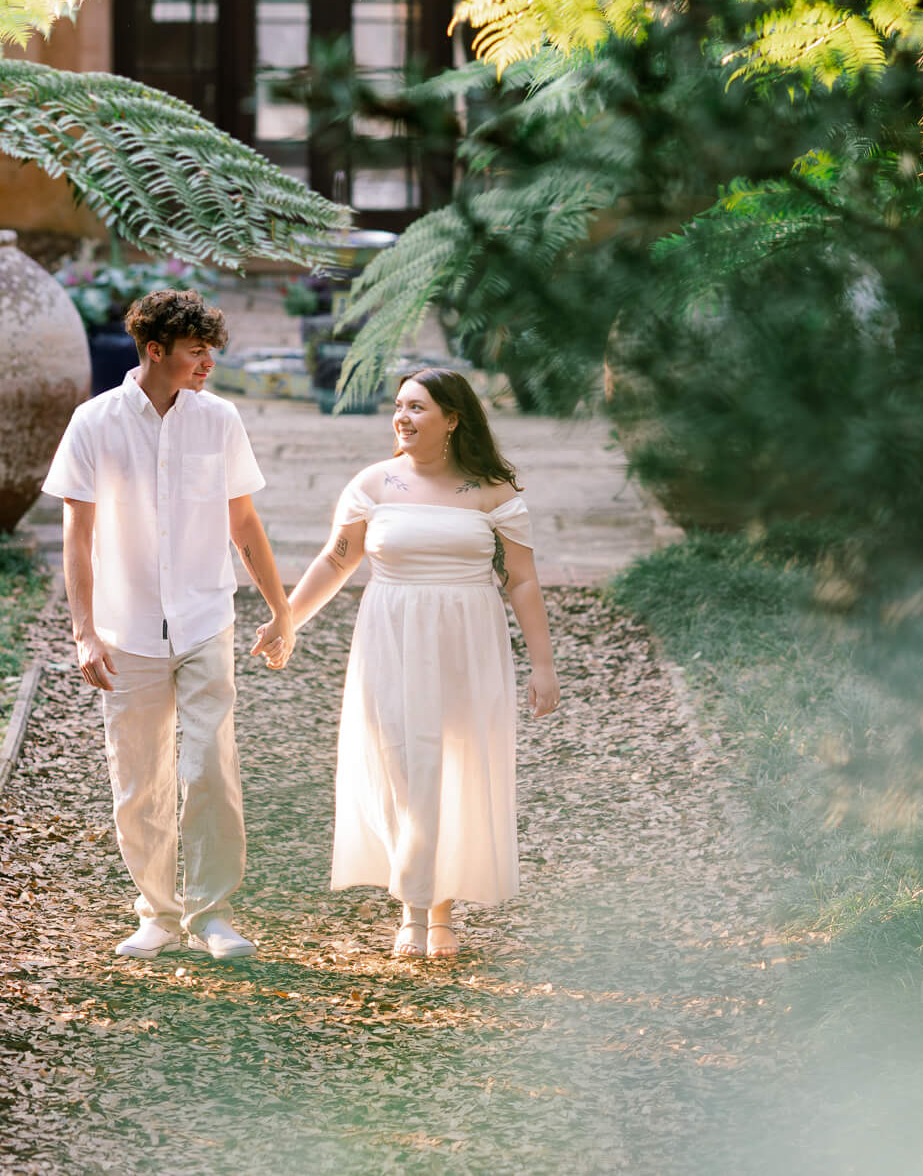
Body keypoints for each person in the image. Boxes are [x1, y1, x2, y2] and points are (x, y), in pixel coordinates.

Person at [41, 288, 295, 961]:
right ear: (156, 351)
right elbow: (77, 534)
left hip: (206, 614)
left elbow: (244, 522)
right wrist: (85, 631)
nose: (208, 362)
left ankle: (212, 911)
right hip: (126, 626)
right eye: (196, 350)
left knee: (209, 762)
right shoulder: (94, 423)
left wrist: (280, 607)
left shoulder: (220, 421)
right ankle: (156, 910)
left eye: (211, 350)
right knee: (138, 775)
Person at [280, 369, 559, 958]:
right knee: (404, 765)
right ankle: (413, 909)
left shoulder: (493, 492)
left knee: (450, 764)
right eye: (399, 406)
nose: (402, 418)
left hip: (467, 641)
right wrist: (287, 620)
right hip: (392, 636)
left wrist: (543, 666)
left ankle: (443, 913)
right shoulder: (374, 484)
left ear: (452, 420)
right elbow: (335, 562)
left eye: (418, 408)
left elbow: (524, 581)